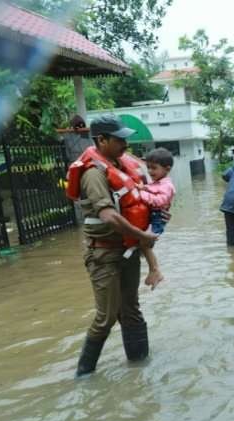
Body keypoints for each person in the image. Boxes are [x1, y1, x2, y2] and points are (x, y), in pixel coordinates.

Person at [65, 114, 158, 376]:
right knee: (105, 317)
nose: (125, 145)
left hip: (127, 250)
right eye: (119, 140)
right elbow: (108, 215)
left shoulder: (120, 165)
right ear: (101, 140)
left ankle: (140, 368)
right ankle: (84, 377)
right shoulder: (93, 174)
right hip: (103, 253)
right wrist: (142, 236)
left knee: (131, 310)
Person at [134, 147, 176, 289]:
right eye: (148, 168)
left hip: (157, 218)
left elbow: (159, 201)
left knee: (145, 243)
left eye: (154, 168)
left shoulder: (167, 185)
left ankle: (155, 270)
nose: (150, 172)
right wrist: (144, 188)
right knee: (143, 244)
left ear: (167, 169)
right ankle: (153, 270)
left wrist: (141, 194)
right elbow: (151, 189)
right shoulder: (158, 182)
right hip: (154, 217)